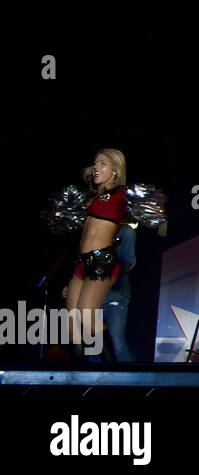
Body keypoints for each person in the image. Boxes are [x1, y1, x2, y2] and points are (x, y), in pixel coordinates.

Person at [65, 149, 128, 359]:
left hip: (101, 260)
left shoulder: (121, 194)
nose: (96, 167)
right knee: (72, 319)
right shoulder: (92, 198)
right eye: (95, 163)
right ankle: (79, 376)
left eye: (103, 163)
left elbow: (155, 207)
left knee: (86, 313)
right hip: (82, 261)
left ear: (116, 170)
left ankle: (110, 372)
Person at [101, 222, 137, 362]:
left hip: (115, 296)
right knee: (93, 345)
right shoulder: (94, 229)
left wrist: (110, 260)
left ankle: (127, 381)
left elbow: (129, 263)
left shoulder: (125, 232)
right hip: (92, 297)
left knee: (118, 344)